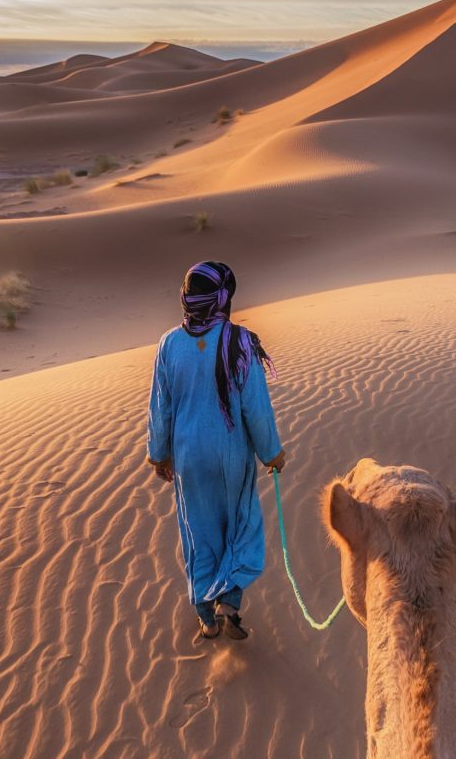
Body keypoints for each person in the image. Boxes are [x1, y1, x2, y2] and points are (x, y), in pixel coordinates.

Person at [147, 261, 287, 641]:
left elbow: (161, 408)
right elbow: (255, 408)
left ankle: (206, 618)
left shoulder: (169, 344)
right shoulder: (240, 341)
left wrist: (159, 454)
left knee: (200, 533)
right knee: (240, 527)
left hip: (189, 457)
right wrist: (272, 453)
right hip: (231, 456)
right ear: (225, 297)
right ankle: (230, 602)